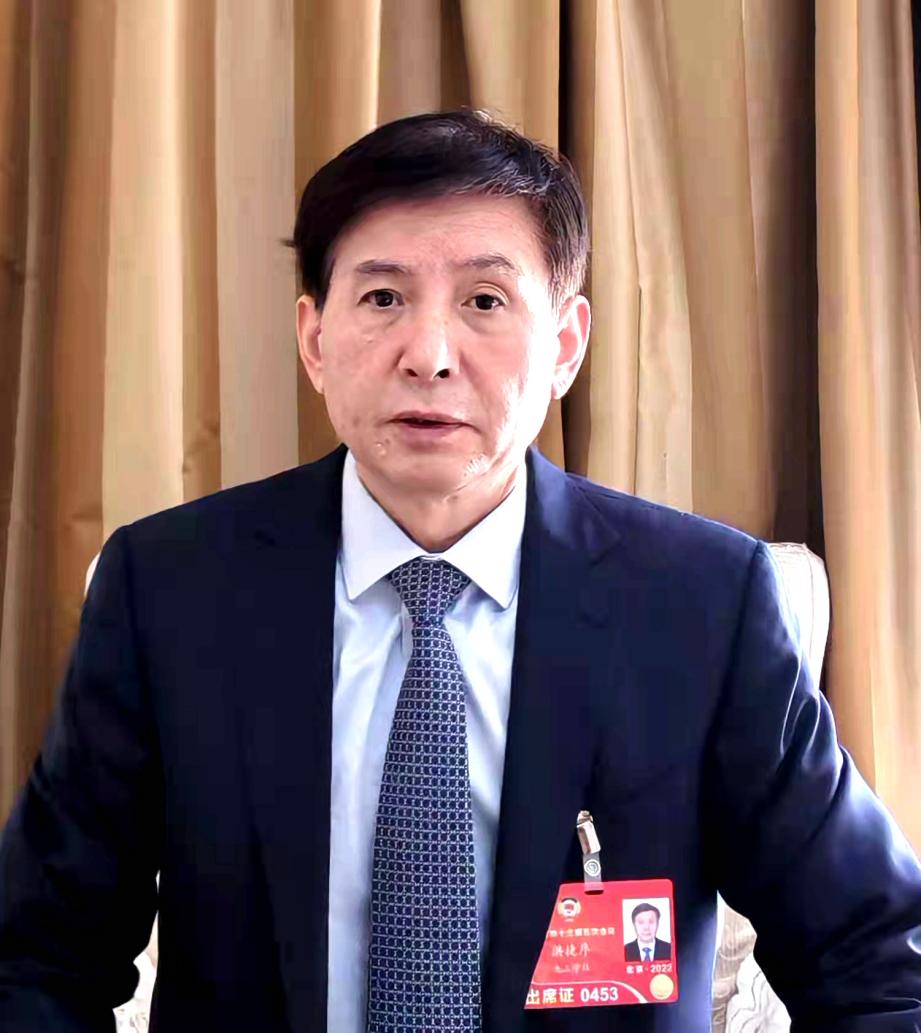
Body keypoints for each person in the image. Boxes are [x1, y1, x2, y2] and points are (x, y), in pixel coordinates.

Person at [1, 109, 920, 1033]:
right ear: (314, 339)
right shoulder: (170, 590)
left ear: (565, 344)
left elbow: (878, 962)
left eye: (484, 301)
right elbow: (35, 956)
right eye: (382, 298)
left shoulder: (701, 603)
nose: (429, 357)